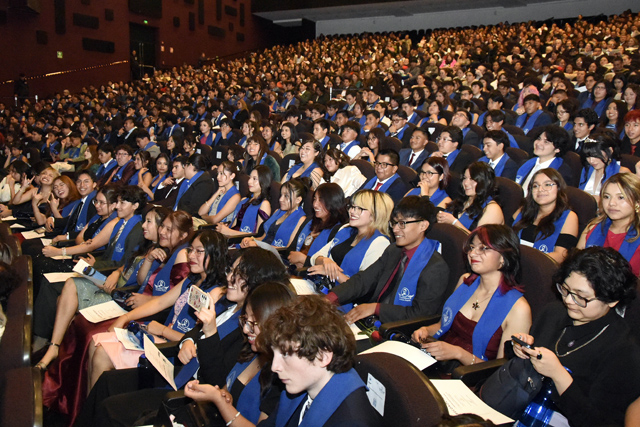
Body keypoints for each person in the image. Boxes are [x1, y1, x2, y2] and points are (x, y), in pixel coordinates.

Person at [77, 247, 288, 427]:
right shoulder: (227, 304)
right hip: (182, 374)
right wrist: (188, 340)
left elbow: (217, 379)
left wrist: (209, 332)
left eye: (239, 275)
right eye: (231, 271)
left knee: (110, 409)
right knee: (106, 382)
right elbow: (195, 330)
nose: (229, 278)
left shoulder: (248, 330)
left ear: (256, 281)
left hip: (193, 393)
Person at [504, 247, 640, 426]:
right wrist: (520, 350)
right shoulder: (553, 313)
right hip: (517, 409)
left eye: (581, 297)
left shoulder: (623, 351)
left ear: (612, 300)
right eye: (566, 290)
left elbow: (599, 421)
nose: (569, 300)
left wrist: (559, 375)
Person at [33, 205, 167, 371]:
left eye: (149, 222)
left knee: (65, 297)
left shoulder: (160, 255)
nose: (144, 225)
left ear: (161, 228)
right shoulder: (146, 245)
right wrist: (116, 273)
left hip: (120, 296)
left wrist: (117, 282)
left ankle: (57, 352)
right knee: (70, 284)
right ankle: (54, 348)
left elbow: (141, 283)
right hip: (113, 284)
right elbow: (125, 266)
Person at [412, 225, 532, 372]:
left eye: (483, 248)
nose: (472, 253)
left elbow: (501, 371)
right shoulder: (465, 282)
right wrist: (426, 331)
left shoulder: (518, 308)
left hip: (473, 378)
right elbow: (443, 325)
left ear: (503, 258)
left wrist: (459, 354)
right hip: (440, 362)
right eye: (472, 247)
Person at [256, 295, 384, 427]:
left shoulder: (351, 421)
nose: (274, 367)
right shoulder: (302, 384)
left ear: (323, 356)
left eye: (285, 354)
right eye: (275, 353)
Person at [183, 282, 295, 425]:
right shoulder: (251, 351)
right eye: (245, 319)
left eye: (254, 323)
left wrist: (219, 400)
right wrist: (219, 395)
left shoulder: (284, 377)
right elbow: (224, 389)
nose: (246, 330)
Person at [328, 196, 450, 323]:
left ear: (423, 226)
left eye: (402, 224)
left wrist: (376, 308)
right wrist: (331, 297)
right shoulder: (394, 250)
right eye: (394, 223)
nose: (395, 229)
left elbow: (420, 314)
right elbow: (364, 280)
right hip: (373, 321)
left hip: (397, 329)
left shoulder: (435, 267)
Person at [309, 190, 392, 286]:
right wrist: (325, 261)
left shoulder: (380, 243)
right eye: (352, 207)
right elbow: (315, 257)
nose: (351, 211)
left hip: (343, 294)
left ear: (376, 214)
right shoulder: (346, 229)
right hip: (322, 286)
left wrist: (334, 273)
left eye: (359, 208)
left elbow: (363, 287)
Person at [578, 173, 640, 276]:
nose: (611, 203)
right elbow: (576, 265)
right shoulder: (593, 227)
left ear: (637, 202)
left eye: (621, 197)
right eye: (606, 197)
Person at [513, 169, 579, 263]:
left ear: (559, 188)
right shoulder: (523, 210)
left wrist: (527, 262)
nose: (540, 189)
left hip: (541, 267)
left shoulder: (569, 217)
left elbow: (561, 256)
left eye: (547, 185)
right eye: (535, 186)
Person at [287, 183, 348, 270]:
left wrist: (304, 260)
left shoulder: (339, 231)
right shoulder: (309, 221)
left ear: (333, 202)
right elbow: (292, 249)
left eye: (321, 200)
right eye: (315, 199)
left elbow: (330, 265)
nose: (315, 204)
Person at [240, 179, 308, 249]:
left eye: (286, 196)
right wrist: (251, 239)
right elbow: (264, 238)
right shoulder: (278, 212)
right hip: (263, 250)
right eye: (281, 195)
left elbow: (288, 249)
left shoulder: (301, 219)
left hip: (276, 254)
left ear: (298, 200)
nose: (281, 199)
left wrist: (257, 245)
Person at [438, 162, 504, 232]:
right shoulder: (463, 200)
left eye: (472, 179)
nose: (466, 183)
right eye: (465, 178)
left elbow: (479, 239)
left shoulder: (492, 209)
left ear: (485, 182)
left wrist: (454, 223)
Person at [515, 125, 574, 192]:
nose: (539, 143)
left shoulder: (562, 172)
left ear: (557, 149)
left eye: (546, 142)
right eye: (539, 139)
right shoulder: (526, 163)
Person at [217, 166, 272, 237]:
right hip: (232, 237)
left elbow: (258, 236)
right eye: (250, 177)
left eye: (254, 179)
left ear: (264, 181)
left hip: (243, 241)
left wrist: (228, 231)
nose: (249, 182)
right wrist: (226, 227)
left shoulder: (264, 204)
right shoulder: (244, 200)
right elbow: (235, 225)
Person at [579, 132, 630, 200]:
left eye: (596, 156)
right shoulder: (587, 169)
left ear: (610, 151)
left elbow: (628, 200)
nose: (591, 160)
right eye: (588, 156)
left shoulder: (622, 172)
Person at [199, 161, 242, 225]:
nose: (218, 177)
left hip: (218, 229)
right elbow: (201, 212)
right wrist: (216, 194)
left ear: (232, 176)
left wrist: (205, 217)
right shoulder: (221, 190)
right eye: (218, 173)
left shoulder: (235, 196)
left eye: (221, 173)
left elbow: (215, 220)